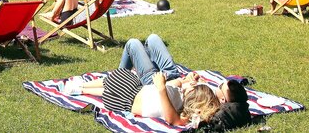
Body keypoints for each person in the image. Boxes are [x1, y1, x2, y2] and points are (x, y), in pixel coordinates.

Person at [65, 34, 220, 126]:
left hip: (145, 86)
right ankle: (85, 87)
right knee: (152, 38)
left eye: (195, 87)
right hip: (158, 81)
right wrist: (187, 79)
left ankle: (86, 85)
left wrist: (163, 87)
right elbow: (179, 85)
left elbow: (173, 119)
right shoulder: (180, 99)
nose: (194, 85)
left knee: (132, 45)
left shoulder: (179, 110)